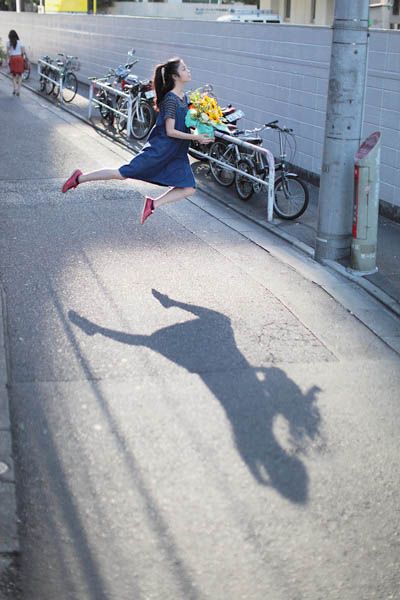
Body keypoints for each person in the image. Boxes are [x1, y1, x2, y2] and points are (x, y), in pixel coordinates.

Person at [62, 57, 213, 224]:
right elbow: (170, 131)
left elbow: (186, 123)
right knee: (122, 173)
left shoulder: (185, 98)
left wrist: (203, 127)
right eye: (184, 69)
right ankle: (79, 178)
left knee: (189, 188)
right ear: (175, 76)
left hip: (176, 153)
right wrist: (196, 137)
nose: (188, 71)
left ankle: (152, 204)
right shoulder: (171, 100)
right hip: (160, 150)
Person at [6, 30, 27, 96]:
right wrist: (25, 59)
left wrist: (7, 61)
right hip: (19, 59)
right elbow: (23, 52)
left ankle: (14, 89)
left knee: (13, 75)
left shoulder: (8, 43)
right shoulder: (20, 42)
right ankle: (18, 90)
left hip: (13, 59)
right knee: (20, 75)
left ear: (10, 36)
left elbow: (7, 53)